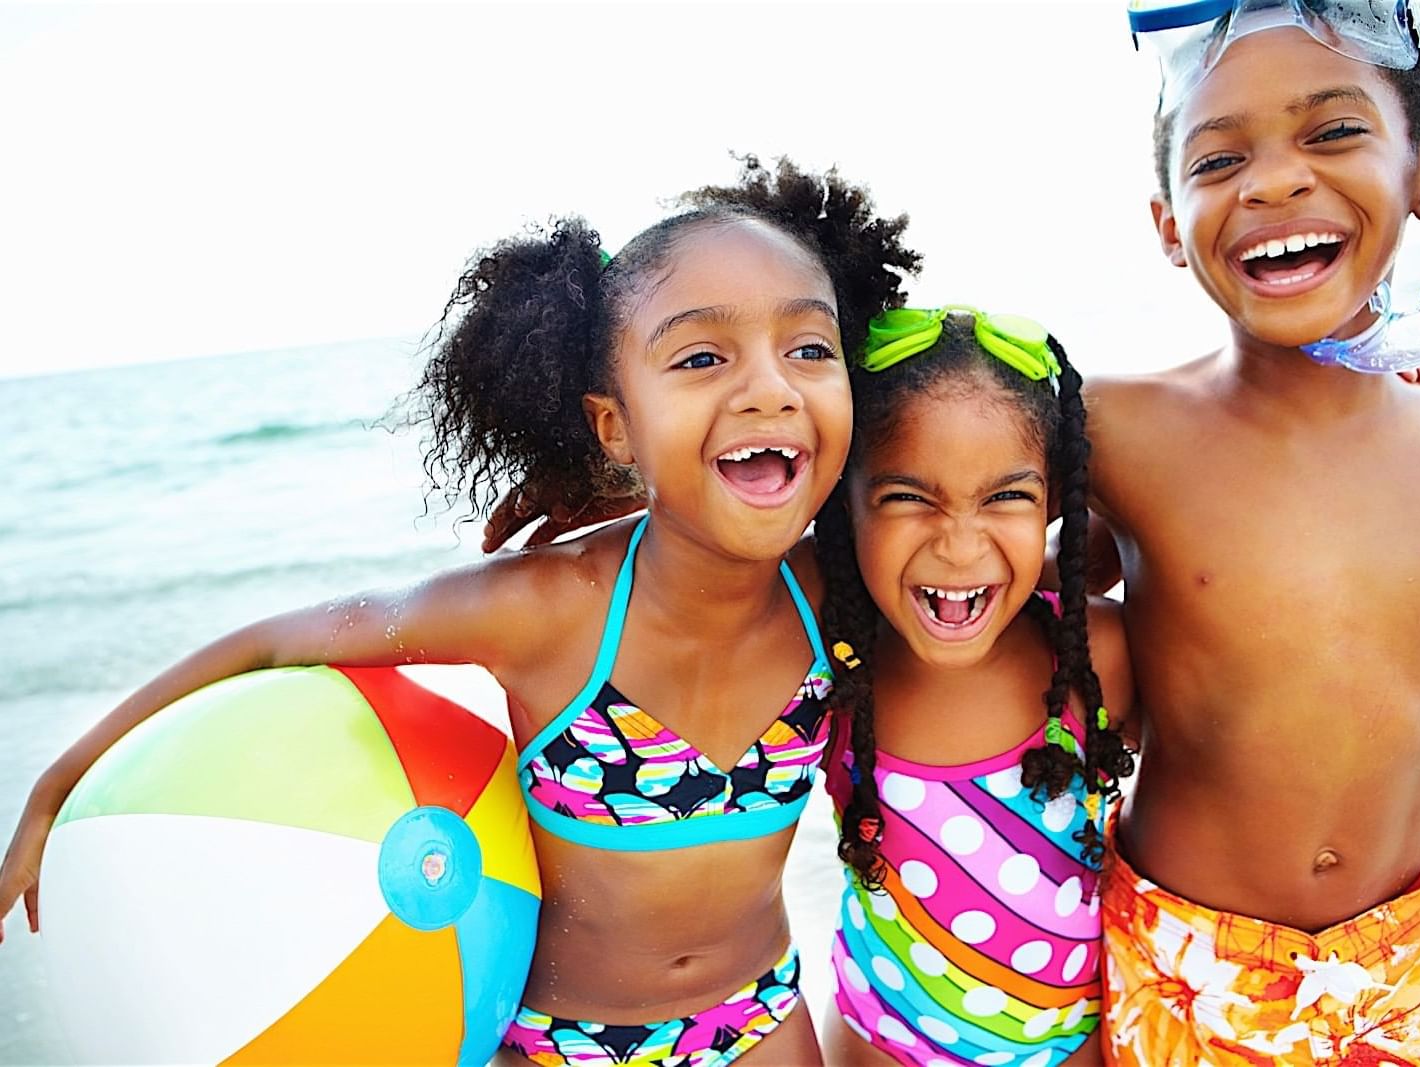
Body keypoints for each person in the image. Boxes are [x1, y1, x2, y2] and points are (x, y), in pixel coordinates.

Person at [0, 157, 921, 1066]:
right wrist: (59, 780)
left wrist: (660, 486)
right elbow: (278, 641)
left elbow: (1016, 472)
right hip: (560, 1044)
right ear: (613, 426)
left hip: (757, 1018)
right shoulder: (545, 610)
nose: (770, 386)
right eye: (700, 357)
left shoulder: (843, 575)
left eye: (808, 348)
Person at [1087, 2, 1420, 1062]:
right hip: (1188, 965)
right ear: (1166, 227)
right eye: (1219, 157)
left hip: (1407, 965)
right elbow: (909, 517)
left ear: (1416, 173)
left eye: (1332, 133)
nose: (1274, 181)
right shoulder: (1113, 428)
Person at [809, 305, 1134, 1066]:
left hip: (1073, 1043)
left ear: (1055, 499)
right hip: (877, 1040)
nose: (958, 543)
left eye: (1005, 497)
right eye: (906, 497)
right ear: (842, 499)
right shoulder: (830, 666)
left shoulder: (1098, 655)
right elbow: (692, 585)